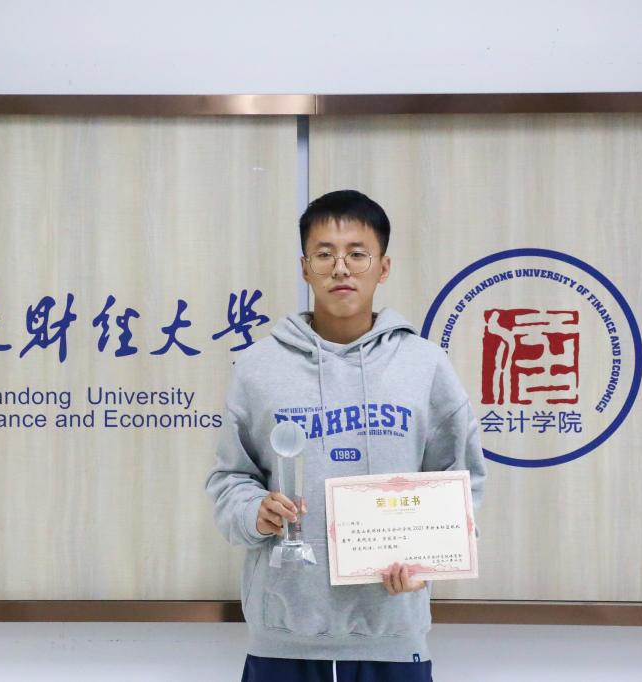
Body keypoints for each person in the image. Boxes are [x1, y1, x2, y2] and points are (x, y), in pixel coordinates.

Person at [204, 189, 487, 682]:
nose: (341, 269)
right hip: (283, 640)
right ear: (305, 267)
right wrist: (255, 512)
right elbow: (230, 478)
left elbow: (461, 481)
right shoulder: (258, 368)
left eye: (357, 254)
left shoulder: (425, 366)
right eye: (325, 254)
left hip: (391, 637)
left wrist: (427, 559)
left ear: (383, 267)